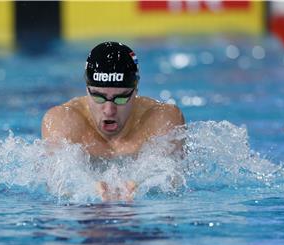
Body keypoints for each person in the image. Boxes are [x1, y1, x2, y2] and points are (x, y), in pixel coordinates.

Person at [41, 41, 185, 201]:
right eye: (98, 97)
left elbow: (172, 185)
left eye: (121, 98)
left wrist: (142, 185)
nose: (109, 110)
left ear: (136, 90)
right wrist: (90, 190)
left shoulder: (161, 119)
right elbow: (57, 188)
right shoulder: (63, 121)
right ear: (86, 89)